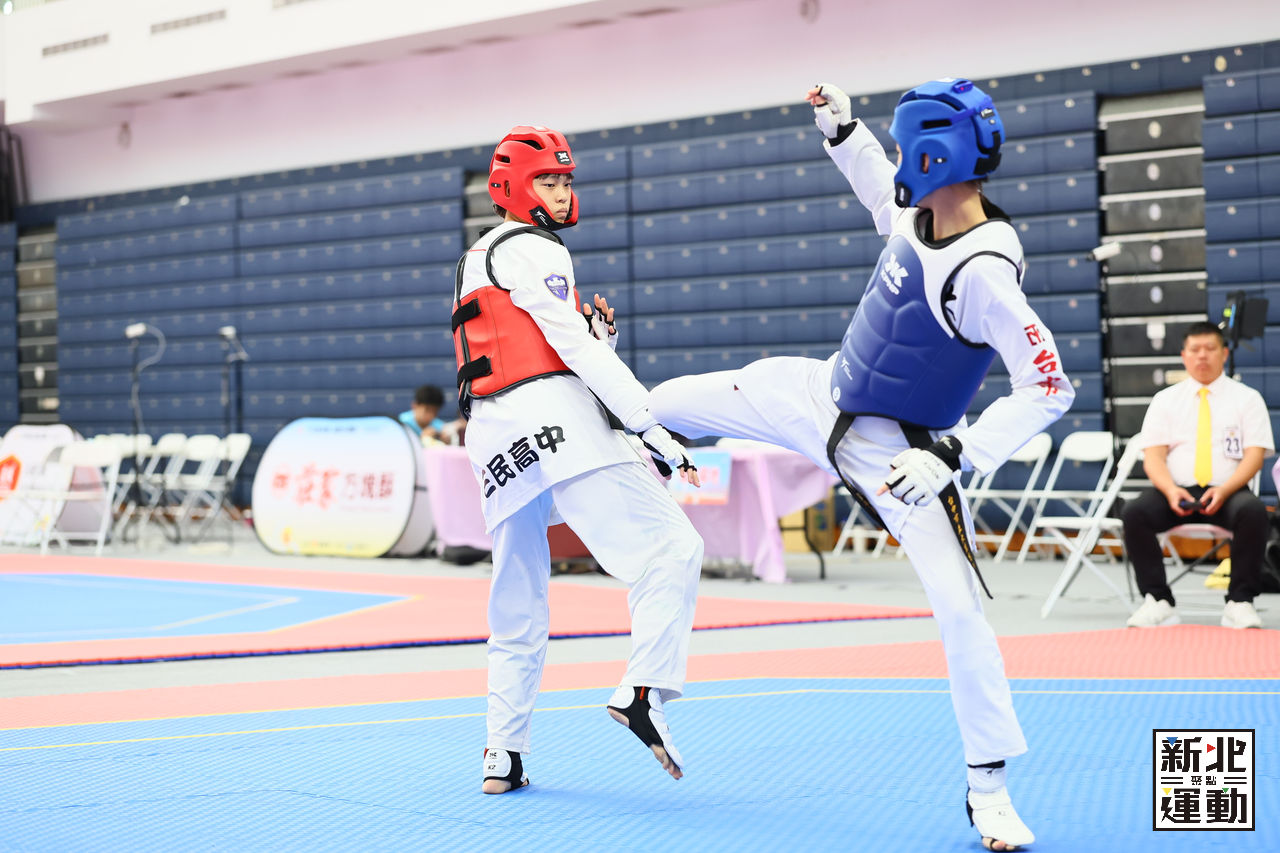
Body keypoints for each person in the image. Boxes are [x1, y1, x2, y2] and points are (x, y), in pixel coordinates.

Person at [649, 79, 1076, 851]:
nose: (901, 160)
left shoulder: (985, 271)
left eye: (908, 147)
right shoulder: (919, 213)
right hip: (820, 396)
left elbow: (1049, 386)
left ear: (936, 157)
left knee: (961, 613)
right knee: (658, 405)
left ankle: (988, 789)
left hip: (903, 455)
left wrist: (955, 455)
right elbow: (881, 191)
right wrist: (844, 134)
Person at [452, 125, 705, 795]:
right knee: (674, 547)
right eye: (548, 181)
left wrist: (599, 343)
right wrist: (648, 423)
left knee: (518, 596)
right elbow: (571, 347)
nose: (562, 193)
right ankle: (643, 690)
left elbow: (518, 344)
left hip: (495, 437)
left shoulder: (480, 255)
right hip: (555, 422)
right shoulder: (536, 247)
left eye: (566, 181)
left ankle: (502, 753)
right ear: (514, 186)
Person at [1123, 322, 1273, 629]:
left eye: (1210, 349)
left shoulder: (1247, 399)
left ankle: (1240, 601)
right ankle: (1158, 600)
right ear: (1184, 355)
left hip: (1228, 491)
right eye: (1195, 350)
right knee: (1134, 512)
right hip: (1176, 492)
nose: (1202, 356)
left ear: (1224, 353)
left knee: (1255, 511)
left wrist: (1226, 489)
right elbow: (1153, 458)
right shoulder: (1165, 400)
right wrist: (1170, 490)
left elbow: (1255, 456)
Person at [398, 384, 466, 444]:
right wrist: (422, 439)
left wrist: (445, 440)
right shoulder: (401, 423)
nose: (430, 415)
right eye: (427, 410)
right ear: (415, 405)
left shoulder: (439, 426)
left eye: (435, 411)